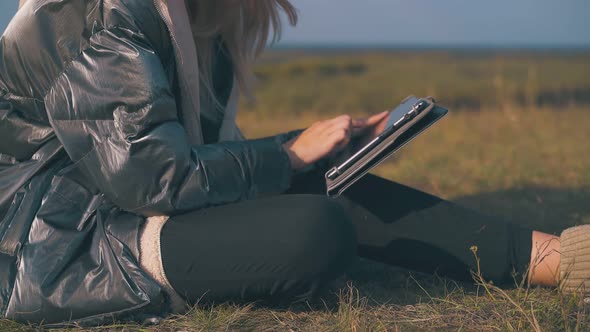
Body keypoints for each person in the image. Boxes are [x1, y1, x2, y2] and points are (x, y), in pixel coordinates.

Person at [0, 0, 588, 325]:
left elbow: (181, 161)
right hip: (49, 247)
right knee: (317, 224)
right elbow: (151, 179)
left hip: (112, 212)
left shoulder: (195, 20)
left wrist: (313, 145)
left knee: (326, 181)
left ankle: (564, 260)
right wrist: (284, 153)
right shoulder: (92, 10)